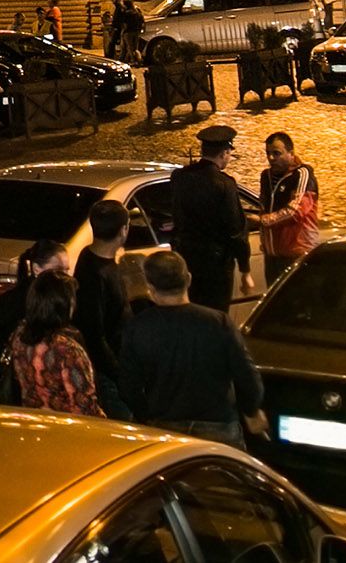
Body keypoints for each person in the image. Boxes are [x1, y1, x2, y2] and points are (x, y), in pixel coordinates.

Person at [115, 250, 264, 446]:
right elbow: (246, 374)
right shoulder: (218, 322)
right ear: (189, 279)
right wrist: (251, 410)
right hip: (218, 425)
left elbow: (127, 385)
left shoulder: (138, 327)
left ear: (150, 286)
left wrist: (146, 416)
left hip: (164, 427)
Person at [165, 124, 255, 310]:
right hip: (216, 266)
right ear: (223, 153)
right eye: (229, 154)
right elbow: (236, 230)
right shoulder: (224, 184)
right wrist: (245, 268)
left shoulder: (179, 177)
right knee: (215, 316)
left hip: (187, 259)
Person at [0, 240, 67, 401]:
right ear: (36, 269)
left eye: (66, 270)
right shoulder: (20, 299)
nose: (63, 276)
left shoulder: (54, 298)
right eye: (58, 270)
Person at [9, 273, 103, 416]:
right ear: (64, 305)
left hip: (31, 421)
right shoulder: (67, 350)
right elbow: (84, 405)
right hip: (62, 429)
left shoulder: (19, 336)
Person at [71, 198, 134, 411]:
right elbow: (95, 334)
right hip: (108, 374)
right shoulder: (97, 275)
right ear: (123, 230)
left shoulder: (88, 257)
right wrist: (119, 374)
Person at [257, 131, 321, 282]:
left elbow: (296, 211)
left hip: (296, 254)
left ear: (291, 153)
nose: (271, 158)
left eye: (276, 153)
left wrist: (262, 220)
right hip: (272, 255)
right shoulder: (266, 176)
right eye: (268, 153)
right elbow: (263, 206)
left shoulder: (302, 174)